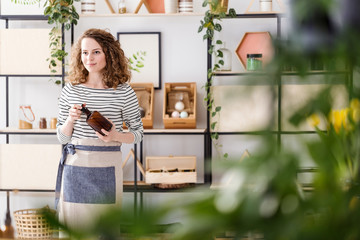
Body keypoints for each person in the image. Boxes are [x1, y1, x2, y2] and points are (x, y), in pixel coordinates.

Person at [55, 28, 144, 231]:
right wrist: (70, 120)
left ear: (109, 54)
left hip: (107, 167)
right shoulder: (71, 89)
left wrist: (115, 135)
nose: (89, 58)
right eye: (85, 53)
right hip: (75, 167)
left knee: (106, 229)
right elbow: (61, 137)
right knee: (73, 229)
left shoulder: (123, 91)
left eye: (96, 52)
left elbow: (138, 133)